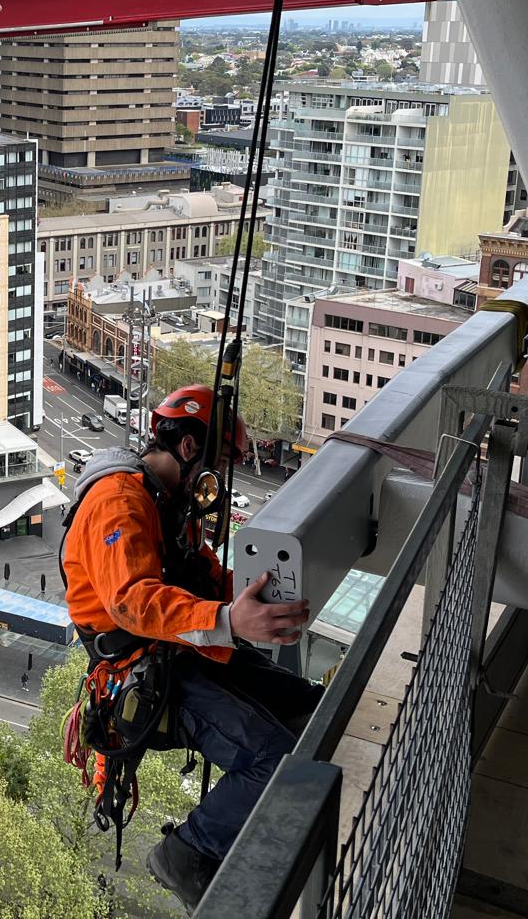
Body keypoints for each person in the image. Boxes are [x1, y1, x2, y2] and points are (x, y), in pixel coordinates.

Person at [61, 384, 323, 910]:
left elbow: (200, 575)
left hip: (177, 653)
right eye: (221, 462)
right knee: (272, 760)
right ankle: (188, 852)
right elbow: (132, 603)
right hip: (144, 671)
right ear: (187, 449)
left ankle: (251, 823)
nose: (220, 480)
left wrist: (262, 599)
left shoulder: (168, 503)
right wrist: (230, 620)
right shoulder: (119, 500)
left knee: (308, 707)